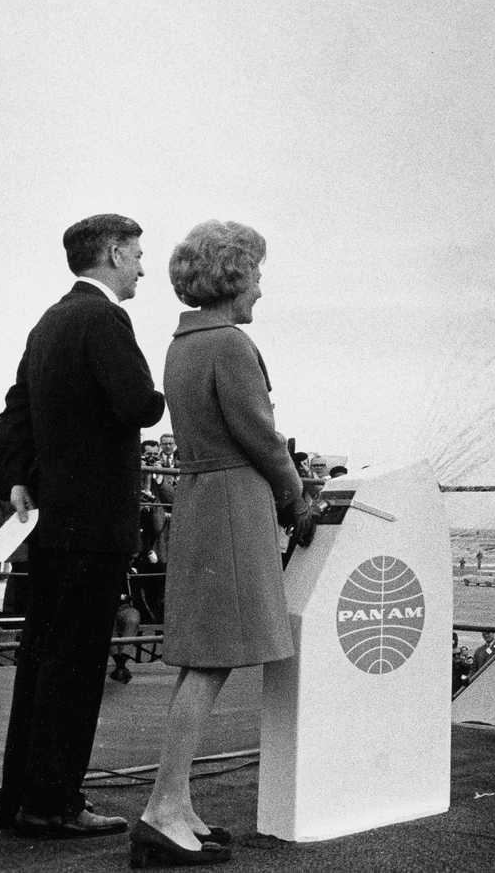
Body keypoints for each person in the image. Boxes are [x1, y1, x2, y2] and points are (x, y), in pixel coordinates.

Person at [136, 219, 313, 866]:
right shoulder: (231, 345)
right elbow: (261, 436)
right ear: (233, 277)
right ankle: (161, 808)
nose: (261, 289)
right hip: (236, 505)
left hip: (201, 499)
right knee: (211, 661)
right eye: (257, 275)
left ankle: (176, 802)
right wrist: (297, 496)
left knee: (201, 658)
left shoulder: (182, 344)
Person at [0, 213, 166, 839]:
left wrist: (16, 474)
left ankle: (23, 799)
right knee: (76, 666)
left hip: (51, 518)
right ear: (115, 253)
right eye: (139, 254)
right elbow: (137, 404)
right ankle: (54, 804)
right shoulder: (104, 318)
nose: (144, 266)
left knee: (43, 660)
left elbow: (16, 408)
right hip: (94, 521)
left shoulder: (50, 321)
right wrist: (160, 395)